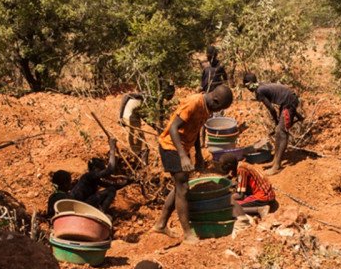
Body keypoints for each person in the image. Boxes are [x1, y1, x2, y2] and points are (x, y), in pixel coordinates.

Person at [153, 85, 234, 243]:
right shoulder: (194, 103)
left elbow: (196, 129)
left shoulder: (206, 107)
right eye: (220, 107)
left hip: (183, 147)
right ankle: (188, 233)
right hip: (170, 146)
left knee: (179, 185)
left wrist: (198, 153)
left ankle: (161, 224)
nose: (217, 111)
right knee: (183, 187)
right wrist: (183, 156)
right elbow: (173, 129)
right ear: (215, 100)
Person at [244, 73, 301, 175]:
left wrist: (276, 121)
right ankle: (275, 160)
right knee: (279, 131)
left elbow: (271, 109)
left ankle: (277, 166)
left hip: (288, 103)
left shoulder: (259, 90)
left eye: (246, 86)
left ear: (249, 84)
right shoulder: (261, 85)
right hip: (287, 102)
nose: (248, 89)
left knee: (281, 132)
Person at [47, 138, 120, 217]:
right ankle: (101, 214)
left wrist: (130, 181)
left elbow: (114, 186)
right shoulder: (89, 176)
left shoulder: (55, 196)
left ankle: (100, 213)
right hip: (80, 207)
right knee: (111, 190)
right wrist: (112, 147)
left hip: (79, 207)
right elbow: (110, 169)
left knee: (111, 189)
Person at [218, 153, 278, 218]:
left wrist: (226, 199)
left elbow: (240, 196)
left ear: (229, 165)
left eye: (223, 165)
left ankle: (260, 209)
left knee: (231, 206)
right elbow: (231, 176)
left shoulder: (241, 170)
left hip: (263, 197)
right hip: (267, 194)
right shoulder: (240, 164)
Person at [119, 91, 149, 163]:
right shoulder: (137, 96)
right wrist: (120, 117)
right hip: (129, 117)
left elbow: (144, 115)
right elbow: (125, 97)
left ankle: (140, 154)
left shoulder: (142, 101)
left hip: (135, 117)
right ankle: (137, 155)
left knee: (139, 135)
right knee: (136, 135)